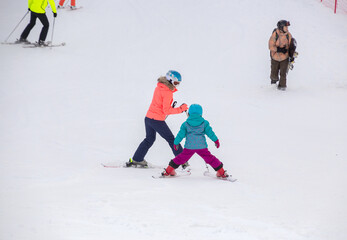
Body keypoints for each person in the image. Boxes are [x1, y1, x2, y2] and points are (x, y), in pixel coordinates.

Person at [126, 70, 189, 168]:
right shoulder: (168, 92)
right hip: (157, 120)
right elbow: (167, 110)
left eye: (178, 83)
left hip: (148, 118)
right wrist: (181, 109)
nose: (177, 85)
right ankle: (182, 160)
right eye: (176, 83)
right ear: (170, 80)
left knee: (149, 139)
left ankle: (137, 159)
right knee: (172, 139)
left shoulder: (159, 87)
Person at [161, 104, 230, 178]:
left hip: (189, 147)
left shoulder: (186, 124)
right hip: (202, 147)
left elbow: (180, 135)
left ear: (189, 113)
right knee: (210, 159)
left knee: (180, 158)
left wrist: (176, 143)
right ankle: (221, 172)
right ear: (201, 113)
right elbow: (210, 133)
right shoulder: (204, 123)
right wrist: (216, 140)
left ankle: (168, 170)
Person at [268, 20, 292, 90]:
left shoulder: (288, 35)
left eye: (287, 27)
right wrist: (279, 49)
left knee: (283, 73)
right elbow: (270, 46)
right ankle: (273, 86)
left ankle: (282, 87)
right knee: (274, 72)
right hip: (275, 57)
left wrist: (291, 55)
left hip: (284, 58)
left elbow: (291, 46)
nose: (287, 28)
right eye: (285, 27)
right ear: (281, 27)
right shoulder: (275, 34)